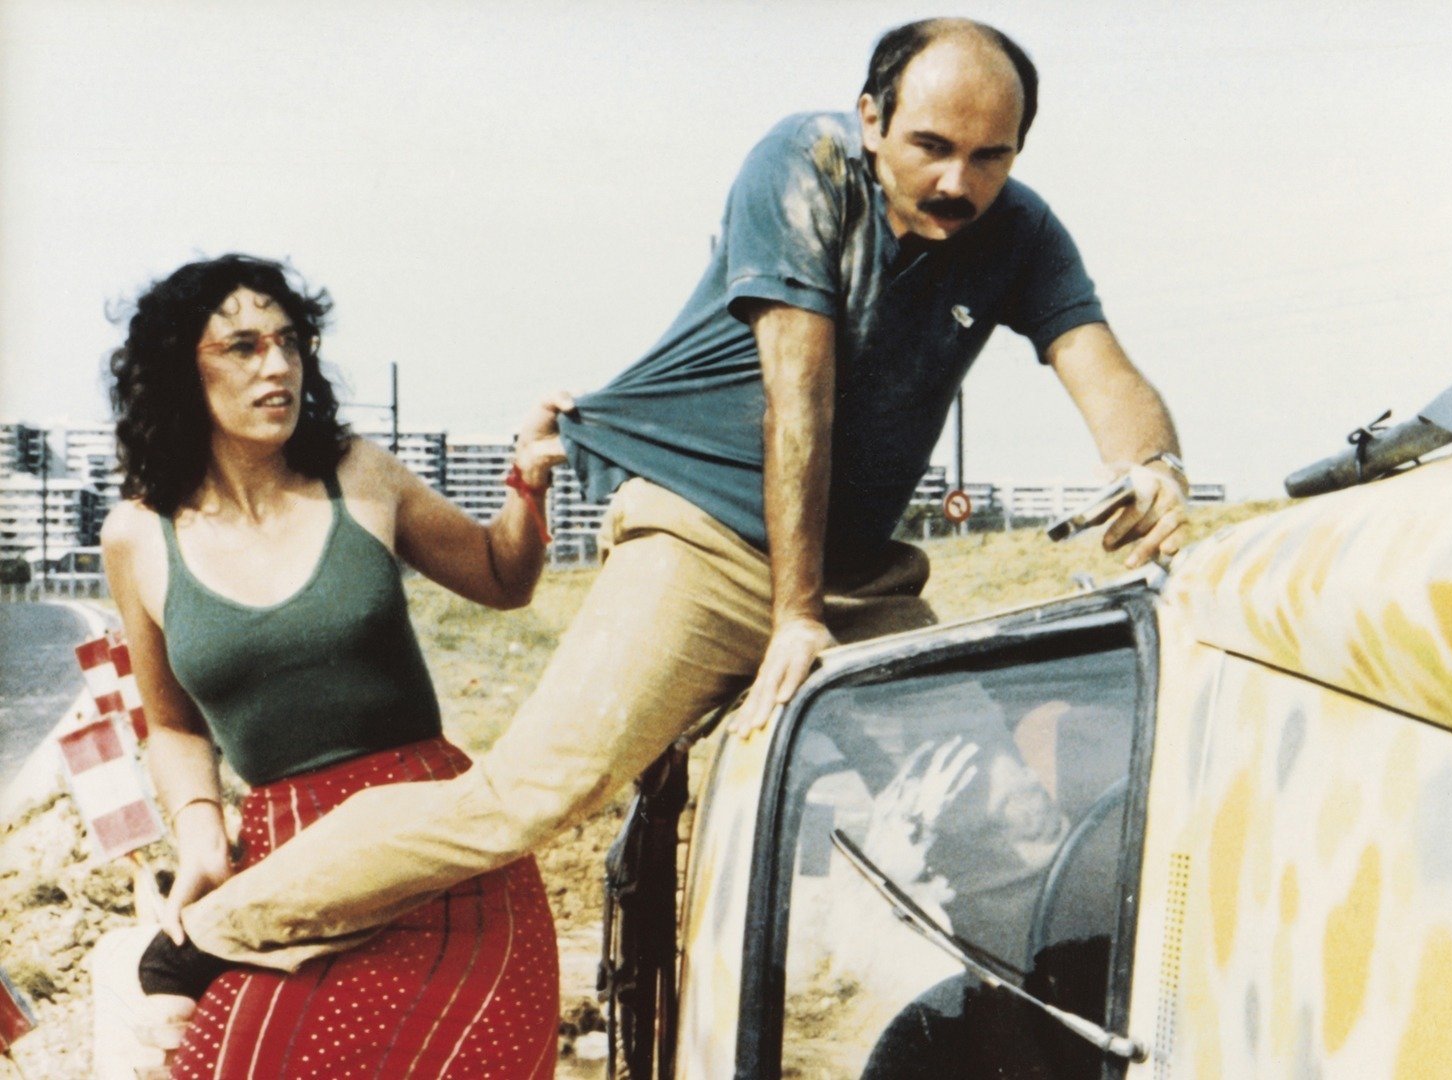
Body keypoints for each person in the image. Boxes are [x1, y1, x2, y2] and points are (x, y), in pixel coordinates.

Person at [165, 17, 1190, 984]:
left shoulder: (1020, 231)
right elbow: (799, 391)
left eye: (990, 157)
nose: (958, 181)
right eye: (931, 146)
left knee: (1002, 822)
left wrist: (1154, 468)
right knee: (527, 797)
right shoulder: (804, 164)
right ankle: (215, 932)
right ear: (873, 118)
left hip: (853, 580)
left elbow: (1097, 362)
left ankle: (1044, 1030)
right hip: (701, 541)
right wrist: (792, 615)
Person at [103, 255, 565, 1076]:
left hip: (439, 848)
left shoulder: (359, 472)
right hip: (289, 871)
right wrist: (202, 836)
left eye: (289, 342)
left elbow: (503, 577)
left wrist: (526, 481)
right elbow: (172, 725)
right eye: (243, 347)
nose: (277, 365)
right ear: (180, 370)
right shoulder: (136, 535)